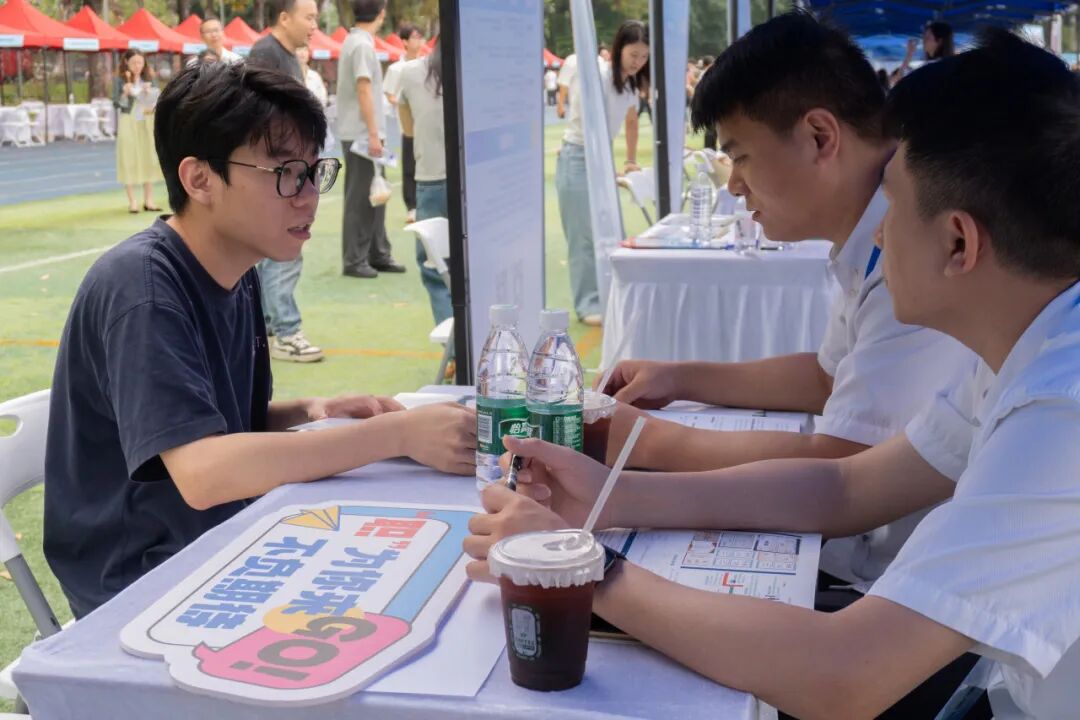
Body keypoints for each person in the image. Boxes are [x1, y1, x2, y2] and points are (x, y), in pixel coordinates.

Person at [466, 30, 1080, 719]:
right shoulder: (1027, 345)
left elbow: (847, 675)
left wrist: (581, 567)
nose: (880, 234)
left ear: (959, 242)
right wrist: (611, 497)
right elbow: (847, 487)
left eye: (896, 208)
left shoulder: (1061, 410)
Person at [43, 62, 477, 621]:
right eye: (285, 173)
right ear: (200, 180)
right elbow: (203, 472)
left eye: (313, 172)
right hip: (143, 583)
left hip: (218, 542)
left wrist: (310, 410)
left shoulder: (235, 269)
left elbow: (214, 424)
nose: (308, 196)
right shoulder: (144, 289)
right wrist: (395, 433)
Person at [599, 12, 971, 587]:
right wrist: (679, 377)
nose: (733, 184)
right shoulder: (873, 238)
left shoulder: (919, 253)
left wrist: (648, 444)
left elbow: (843, 465)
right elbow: (828, 377)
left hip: (884, 580)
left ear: (820, 136)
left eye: (741, 156)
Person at [556, 20, 649, 327]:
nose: (638, 62)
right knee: (582, 235)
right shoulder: (597, 76)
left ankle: (611, 295)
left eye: (644, 56)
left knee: (611, 230)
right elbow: (583, 119)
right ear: (620, 49)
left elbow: (630, 122)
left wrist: (628, 160)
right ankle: (587, 304)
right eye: (633, 54)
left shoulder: (630, 86)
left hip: (601, 157)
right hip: (577, 155)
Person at [246, 0, 323, 362]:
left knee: (272, 252)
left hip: (287, 168)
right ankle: (287, 332)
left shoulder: (287, 56)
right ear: (284, 17)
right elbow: (258, 116)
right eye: (309, 17)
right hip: (277, 171)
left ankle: (269, 326)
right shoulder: (266, 54)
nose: (314, 25)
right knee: (283, 249)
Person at [336, 0, 406, 279]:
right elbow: (363, 89)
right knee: (362, 199)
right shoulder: (362, 45)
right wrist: (374, 134)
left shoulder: (357, 42)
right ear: (381, 13)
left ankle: (378, 252)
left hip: (364, 133)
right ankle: (355, 259)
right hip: (362, 135)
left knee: (377, 194)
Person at [397, 39, 451, 327]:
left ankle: (452, 340)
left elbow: (407, 130)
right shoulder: (477, 69)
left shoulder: (410, 72)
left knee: (434, 263)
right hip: (474, 180)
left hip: (432, 178)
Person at [383, 22, 427, 224]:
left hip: (426, 124)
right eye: (415, 37)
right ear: (405, 42)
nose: (419, 41)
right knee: (409, 167)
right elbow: (389, 94)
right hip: (407, 125)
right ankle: (412, 207)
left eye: (420, 37)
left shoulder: (426, 65)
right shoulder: (396, 69)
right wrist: (405, 105)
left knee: (426, 165)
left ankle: (424, 203)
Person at [113, 49, 162, 215]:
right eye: (133, 62)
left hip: (146, 121)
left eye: (140, 62)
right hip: (128, 120)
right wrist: (125, 94)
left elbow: (157, 100)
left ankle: (149, 200)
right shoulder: (120, 80)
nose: (137, 66)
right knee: (129, 156)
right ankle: (132, 201)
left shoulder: (149, 79)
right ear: (126, 63)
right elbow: (116, 103)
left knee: (148, 156)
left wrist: (148, 93)